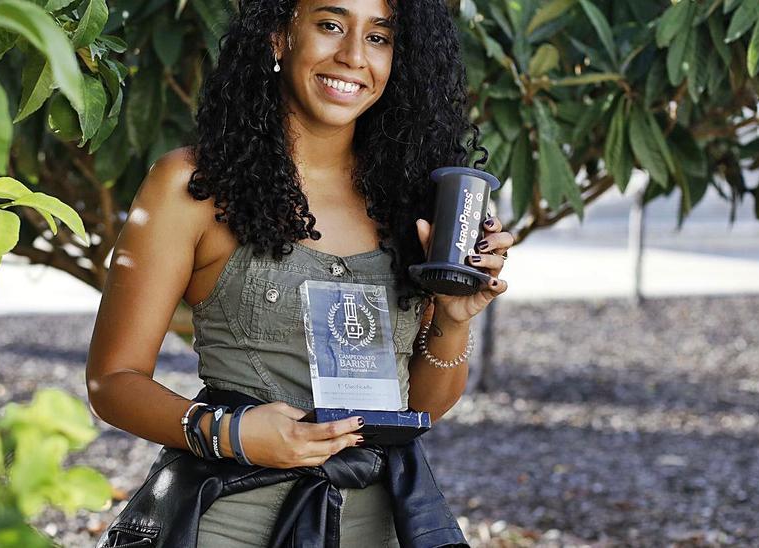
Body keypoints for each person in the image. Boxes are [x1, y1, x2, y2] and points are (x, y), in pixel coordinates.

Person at [86, 0, 514, 545]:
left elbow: (418, 410)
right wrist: (230, 432)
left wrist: (452, 318)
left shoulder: (411, 202)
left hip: (379, 527)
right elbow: (112, 382)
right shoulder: (194, 186)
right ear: (278, 37)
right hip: (227, 523)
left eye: (379, 37)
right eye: (330, 26)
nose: (354, 56)